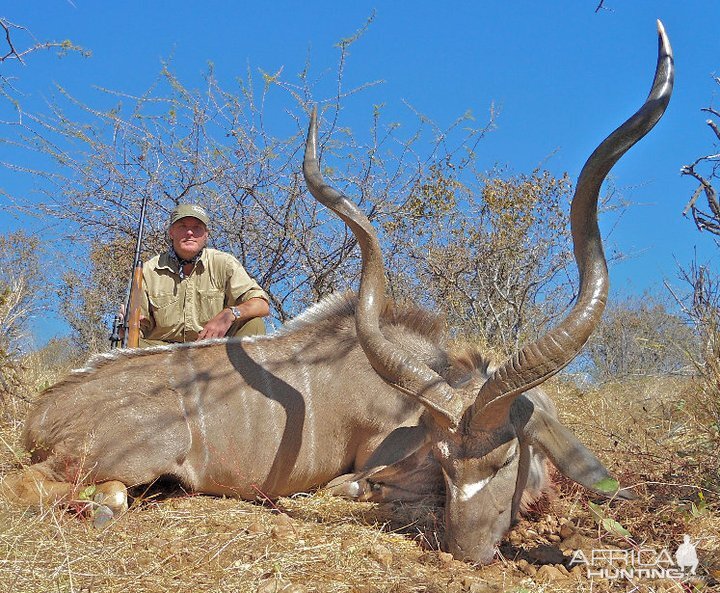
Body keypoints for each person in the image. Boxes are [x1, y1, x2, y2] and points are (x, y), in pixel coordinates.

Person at [135, 203, 270, 347]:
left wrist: (230, 313)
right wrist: (129, 327)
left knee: (254, 324)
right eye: (182, 226)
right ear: (171, 232)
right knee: (122, 342)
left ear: (206, 234)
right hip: (162, 352)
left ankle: (237, 369)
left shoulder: (224, 263)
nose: (189, 233)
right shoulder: (149, 269)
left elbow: (261, 304)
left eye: (197, 228)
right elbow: (138, 327)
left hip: (211, 348)